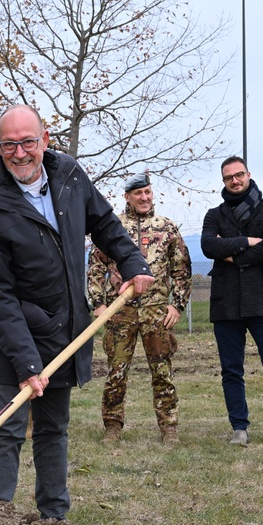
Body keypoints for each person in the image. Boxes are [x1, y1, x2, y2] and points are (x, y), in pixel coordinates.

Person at [0, 104, 155, 520]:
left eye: (27, 142)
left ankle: (54, 521)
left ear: (45, 140)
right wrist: (26, 361)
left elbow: (105, 224)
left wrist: (133, 263)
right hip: (13, 336)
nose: (19, 153)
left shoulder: (69, 175)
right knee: (9, 427)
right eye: (9, 144)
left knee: (53, 429)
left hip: (65, 330)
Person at [87, 173, 192, 447]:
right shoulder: (112, 227)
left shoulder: (167, 228)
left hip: (156, 313)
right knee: (116, 372)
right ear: (127, 197)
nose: (144, 198)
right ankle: (112, 427)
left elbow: (182, 271)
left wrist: (177, 305)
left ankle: (169, 427)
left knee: (162, 372)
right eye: (138, 193)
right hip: (120, 312)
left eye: (147, 192)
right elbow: (96, 267)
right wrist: (98, 304)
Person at [200, 156, 263, 445]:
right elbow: (208, 246)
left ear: (248, 174)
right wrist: (247, 241)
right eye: (229, 177)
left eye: (239, 174)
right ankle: (239, 428)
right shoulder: (213, 215)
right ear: (223, 181)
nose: (235, 180)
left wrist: (229, 254)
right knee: (231, 370)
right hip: (226, 302)